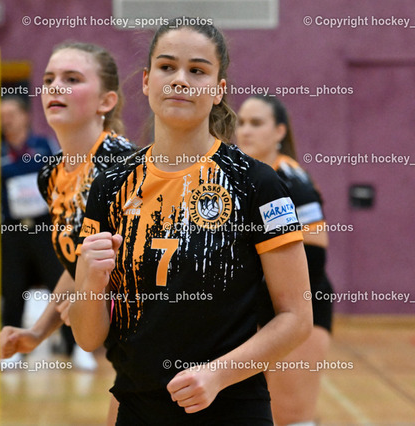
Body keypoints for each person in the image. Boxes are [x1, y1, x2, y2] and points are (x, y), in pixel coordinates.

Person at [69, 21, 312, 425]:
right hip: (136, 408)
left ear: (218, 89)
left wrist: (218, 374)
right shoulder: (109, 186)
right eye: (167, 67)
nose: (180, 80)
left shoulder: (255, 183)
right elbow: (87, 337)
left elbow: (296, 318)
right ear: (146, 82)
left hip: (231, 408)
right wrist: (90, 284)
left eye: (197, 70)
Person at [0, 41, 136, 377]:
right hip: (127, 354)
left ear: (106, 101)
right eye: (48, 80)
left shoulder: (122, 164)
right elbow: (78, 264)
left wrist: (91, 303)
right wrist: (36, 333)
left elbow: (141, 264)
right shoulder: (51, 173)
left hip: (161, 340)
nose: (55, 87)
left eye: (72, 79)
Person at [236, 94, 335, 426]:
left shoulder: (292, 180)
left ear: (279, 131)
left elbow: (316, 253)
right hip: (256, 306)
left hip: (301, 305)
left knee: (290, 414)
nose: (245, 131)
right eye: (241, 123)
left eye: (256, 123)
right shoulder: (240, 176)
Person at [0, 95, 66, 359]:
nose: (7, 120)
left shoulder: (46, 146)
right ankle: (12, 349)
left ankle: (75, 348)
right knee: (12, 289)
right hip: (13, 231)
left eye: (12, 113)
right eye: (2, 115)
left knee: (59, 283)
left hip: (45, 228)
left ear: (26, 116)